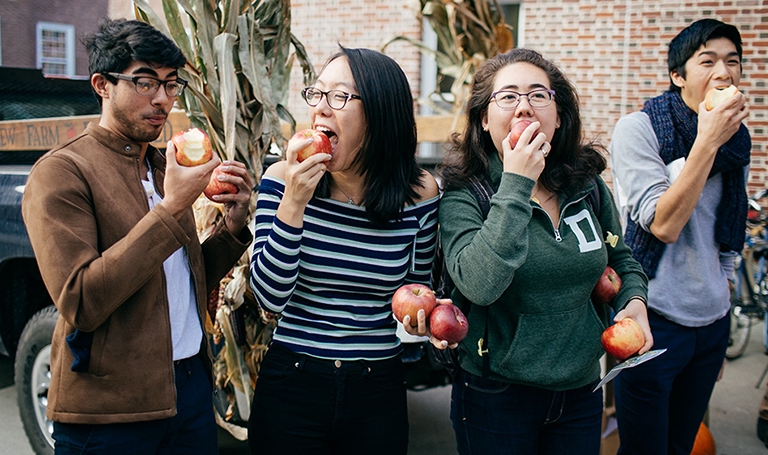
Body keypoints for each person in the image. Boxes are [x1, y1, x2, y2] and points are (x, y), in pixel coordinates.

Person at [21, 18, 254, 454]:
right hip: (110, 412)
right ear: (102, 85)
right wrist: (171, 208)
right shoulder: (61, 173)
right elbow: (81, 301)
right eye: (145, 82)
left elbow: (179, 277)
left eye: (171, 84)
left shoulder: (165, 165)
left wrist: (232, 228)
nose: (162, 99)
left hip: (188, 392)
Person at [437, 48, 652, 455]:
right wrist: (517, 182)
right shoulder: (467, 195)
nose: (524, 106)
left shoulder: (585, 186)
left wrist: (634, 301)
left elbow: (620, 260)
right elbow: (480, 285)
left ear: (557, 114)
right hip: (496, 394)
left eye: (539, 95)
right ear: (484, 119)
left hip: (581, 389)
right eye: (508, 97)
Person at [247, 46, 440, 455]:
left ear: (381, 113)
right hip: (292, 381)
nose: (321, 109)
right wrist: (294, 204)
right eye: (316, 94)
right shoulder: (283, 179)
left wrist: (428, 323)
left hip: (377, 388)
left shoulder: (419, 195)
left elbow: (417, 293)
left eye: (339, 97)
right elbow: (269, 297)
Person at [609, 18, 750, 455]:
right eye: (707, 61)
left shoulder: (736, 140)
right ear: (678, 75)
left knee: (684, 443)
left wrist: (723, 301)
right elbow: (662, 224)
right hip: (653, 318)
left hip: (710, 323)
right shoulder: (640, 129)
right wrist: (706, 141)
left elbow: (728, 228)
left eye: (733, 62)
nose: (724, 73)